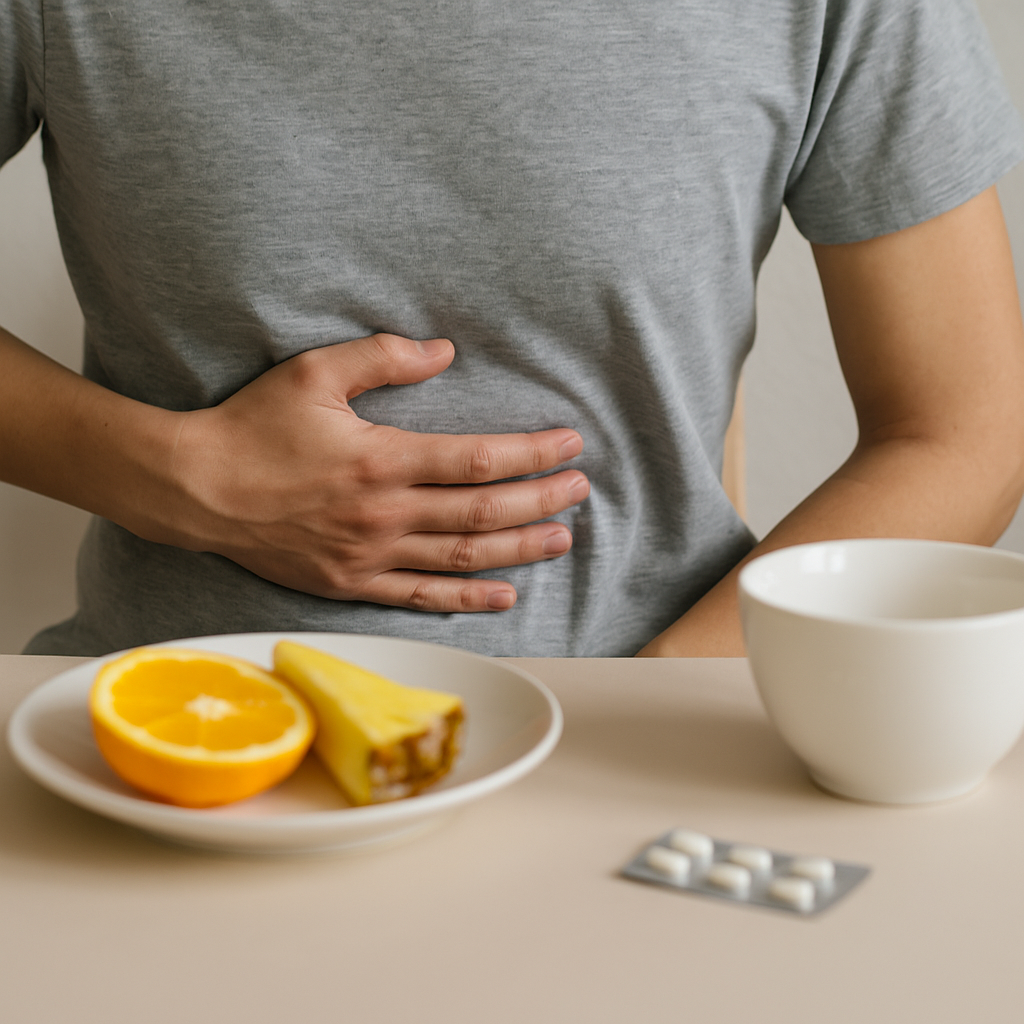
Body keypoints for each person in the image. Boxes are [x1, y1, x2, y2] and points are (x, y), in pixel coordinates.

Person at [1, 0, 1023, 658]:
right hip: (171, 750)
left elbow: (966, 427)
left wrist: (655, 703)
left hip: (651, 771)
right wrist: (185, 477)